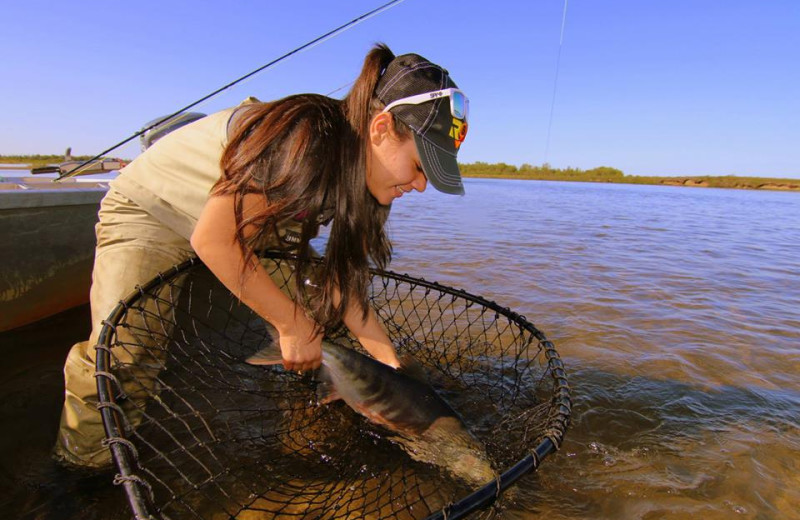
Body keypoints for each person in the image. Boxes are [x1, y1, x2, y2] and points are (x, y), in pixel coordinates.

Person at [54, 43, 470, 468]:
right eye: (420, 167)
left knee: (327, 322)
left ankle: (314, 419)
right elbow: (214, 241)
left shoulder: (376, 185)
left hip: (256, 229)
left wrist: (390, 368)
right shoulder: (302, 140)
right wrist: (290, 323)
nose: (421, 186)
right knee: (125, 356)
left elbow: (343, 284)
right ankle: (80, 468)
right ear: (381, 129)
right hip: (155, 211)